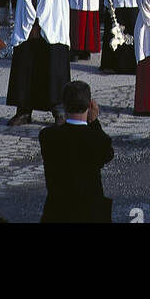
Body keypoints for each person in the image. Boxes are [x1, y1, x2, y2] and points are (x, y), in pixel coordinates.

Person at [39, 80, 113, 223]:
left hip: (57, 213)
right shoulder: (98, 140)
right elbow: (107, 154)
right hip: (90, 214)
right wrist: (94, 122)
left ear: (64, 104)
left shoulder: (48, 136)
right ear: (90, 105)